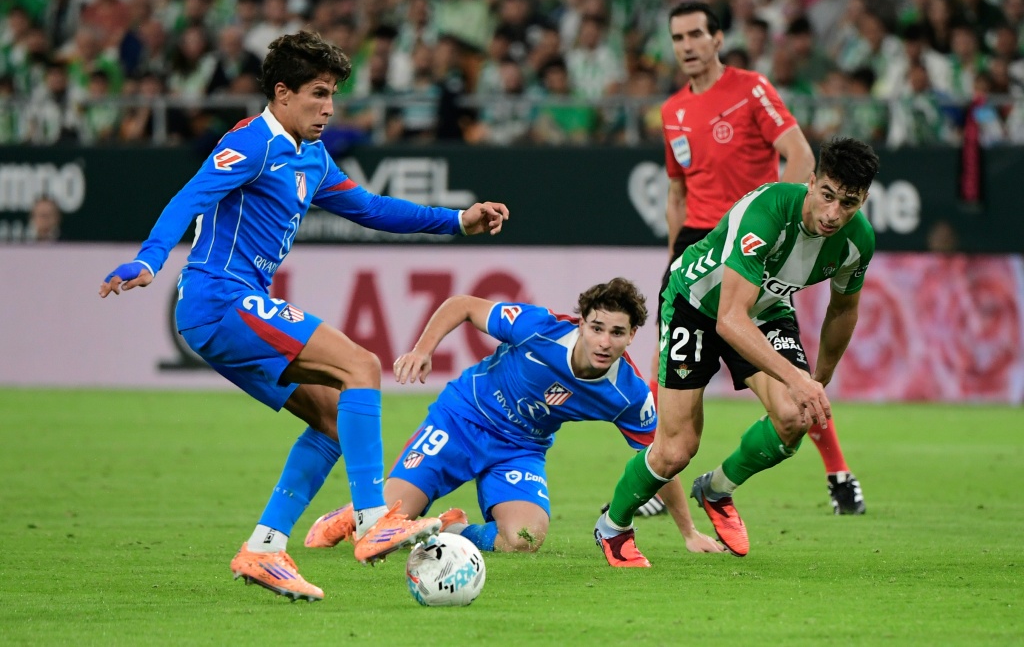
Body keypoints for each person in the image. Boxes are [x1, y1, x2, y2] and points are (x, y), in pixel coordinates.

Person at [98, 30, 509, 602]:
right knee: (361, 366)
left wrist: (456, 221)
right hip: (219, 296)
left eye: (334, 94)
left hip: (228, 309)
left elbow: (368, 207)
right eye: (318, 93)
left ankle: (264, 548)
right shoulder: (253, 140)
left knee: (336, 421)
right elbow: (189, 196)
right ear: (282, 93)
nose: (329, 108)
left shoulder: (311, 154)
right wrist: (148, 259)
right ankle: (373, 519)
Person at [595, 137, 880, 565]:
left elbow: (843, 310)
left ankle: (717, 489)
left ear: (864, 200)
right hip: (695, 303)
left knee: (794, 416)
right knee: (675, 451)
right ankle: (613, 526)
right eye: (827, 195)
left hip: (764, 309)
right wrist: (797, 377)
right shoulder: (767, 211)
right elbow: (729, 318)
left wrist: (817, 379)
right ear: (811, 181)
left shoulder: (858, 242)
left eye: (849, 203)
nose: (833, 214)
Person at [303, 279, 724, 561]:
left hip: (519, 451)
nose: (604, 341)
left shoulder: (628, 393)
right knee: (378, 535)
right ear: (582, 323)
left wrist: (688, 533)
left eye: (617, 332)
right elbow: (463, 305)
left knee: (524, 540)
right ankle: (354, 513)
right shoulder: (540, 329)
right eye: (597, 328)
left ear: (632, 336)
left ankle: (448, 532)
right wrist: (422, 349)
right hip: (461, 421)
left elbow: (662, 459)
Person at [652, 1, 866, 517]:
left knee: (792, 371)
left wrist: (783, 222)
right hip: (699, 247)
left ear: (718, 38)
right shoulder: (672, 113)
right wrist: (674, 250)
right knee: (667, 373)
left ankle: (838, 471)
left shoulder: (751, 89)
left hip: (756, 240)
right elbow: (677, 190)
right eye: (678, 37)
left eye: (697, 34)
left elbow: (800, 155)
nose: (687, 46)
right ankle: (664, 481)